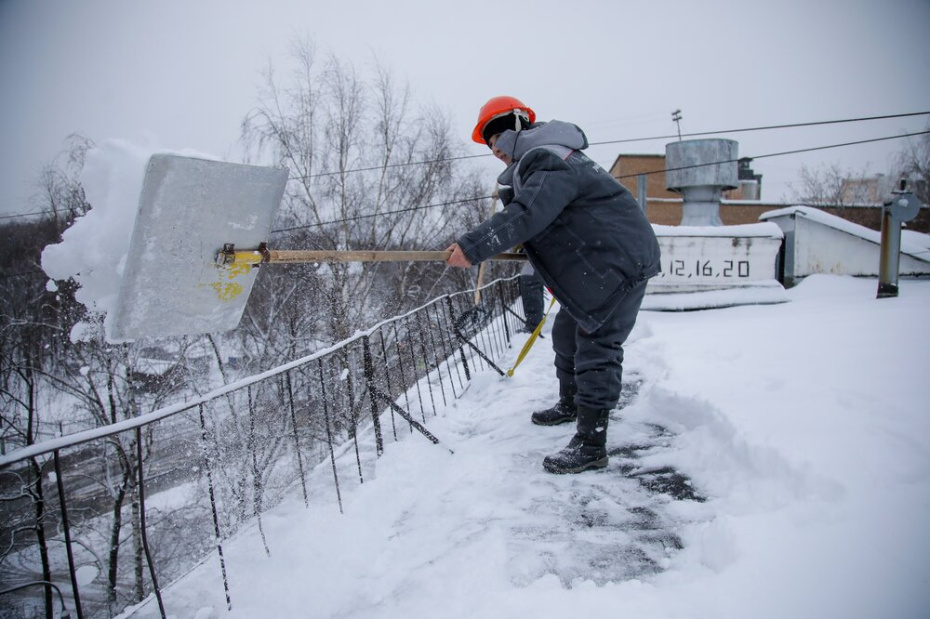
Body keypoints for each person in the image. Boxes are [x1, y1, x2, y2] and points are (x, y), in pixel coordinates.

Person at [445, 96, 661, 474]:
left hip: (617, 261)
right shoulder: (548, 159)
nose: (495, 152)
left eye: (495, 142)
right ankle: (571, 403)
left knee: (597, 343)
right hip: (603, 258)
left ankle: (591, 443)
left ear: (514, 128)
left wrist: (473, 247)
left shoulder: (548, 158)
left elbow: (529, 212)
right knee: (565, 333)